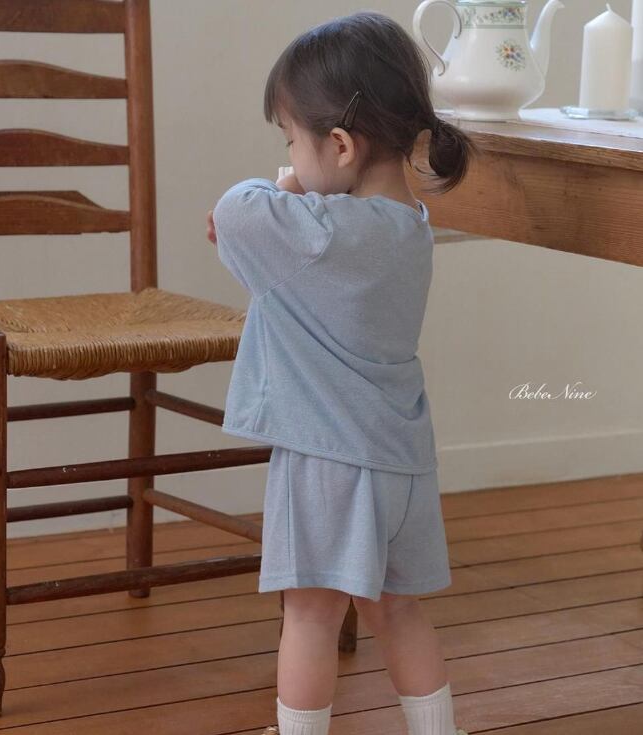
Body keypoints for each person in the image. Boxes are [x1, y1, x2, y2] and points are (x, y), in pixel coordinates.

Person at [206, 10, 478, 735]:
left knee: (309, 612)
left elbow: (233, 212)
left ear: (340, 145)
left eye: (291, 142)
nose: (290, 159)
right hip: (402, 461)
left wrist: (287, 186)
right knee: (398, 609)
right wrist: (301, 192)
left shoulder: (320, 232)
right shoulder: (412, 228)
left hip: (325, 461)